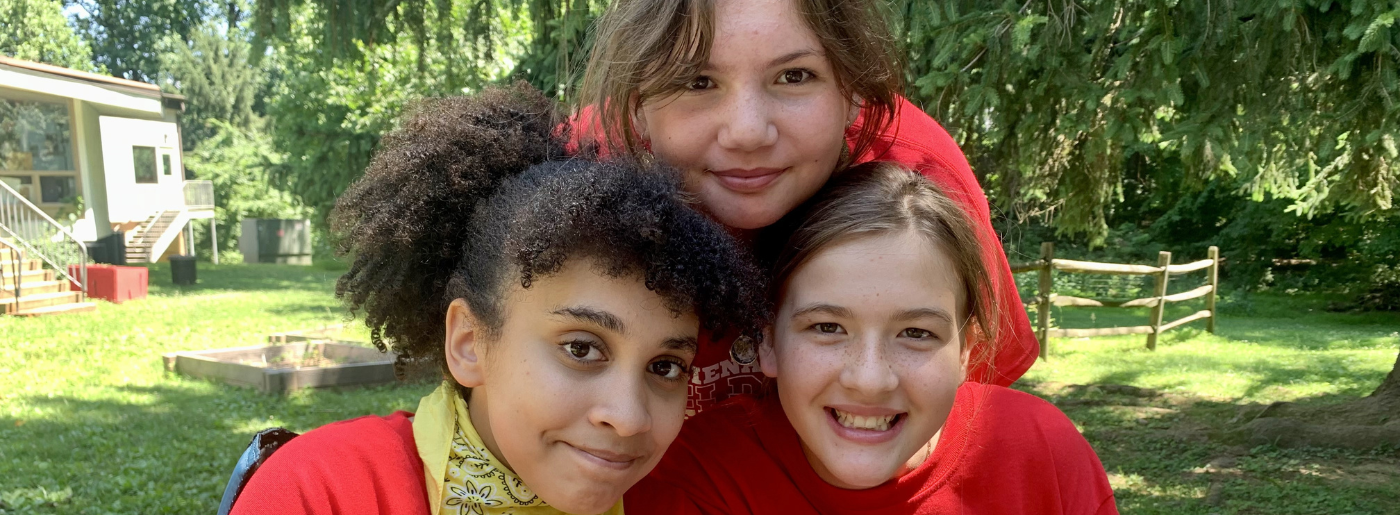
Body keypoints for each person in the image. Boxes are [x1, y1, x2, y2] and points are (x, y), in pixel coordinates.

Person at [225, 84, 769, 515]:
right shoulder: (325, 491)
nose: (629, 419)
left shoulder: (676, 504)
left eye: (666, 366)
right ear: (468, 341)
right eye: (581, 349)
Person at [573, 0, 1038, 415]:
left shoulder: (920, 178)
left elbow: (965, 410)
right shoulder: (573, 182)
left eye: (794, 76)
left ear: (854, 89)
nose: (748, 132)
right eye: (697, 81)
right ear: (636, 107)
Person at [626, 163, 1118, 514]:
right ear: (768, 341)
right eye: (827, 328)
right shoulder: (699, 479)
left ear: (967, 350)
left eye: (916, 334)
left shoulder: (1043, 453)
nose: (869, 380)